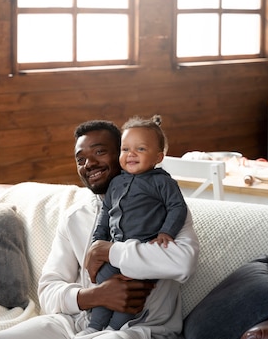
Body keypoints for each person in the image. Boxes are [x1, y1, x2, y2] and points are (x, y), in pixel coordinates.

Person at [0, 120, 198, 339]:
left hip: (141, 330)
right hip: (75, 324)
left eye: (100, 152)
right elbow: (47, 292)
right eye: (81, 159)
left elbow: (183, 262)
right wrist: (95, 296)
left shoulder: (164, 207)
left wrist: (109, 251)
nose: (89, 163)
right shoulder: (74, 218)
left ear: (121, 155)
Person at [79, 115, 189, 335]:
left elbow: (178, 207)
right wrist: (96, 243)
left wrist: (167, 232)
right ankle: (93, 326)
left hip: (142, 252)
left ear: (158, 156)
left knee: (133, 292)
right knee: (104, 282)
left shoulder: (162, 182)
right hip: (115, 250)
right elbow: (105, 215)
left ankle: (112, 328)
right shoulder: (116, 184)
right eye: (126, 149)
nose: (131, 154)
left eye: (140, 149)